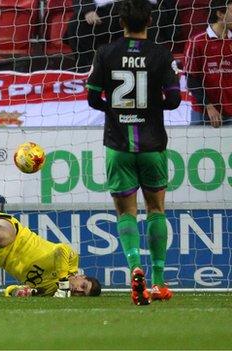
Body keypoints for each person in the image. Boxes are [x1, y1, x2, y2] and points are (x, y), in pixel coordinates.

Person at [86, 0, 181, 305]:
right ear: (150, 20)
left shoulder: (105, 53)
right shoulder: (161, 54)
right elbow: (176, 99)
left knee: (126, 212)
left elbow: (91, 97)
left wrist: (114, 110)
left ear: (120, 20)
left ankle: (133, 268)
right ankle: (159, 282)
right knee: (156, 210)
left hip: (118, 146)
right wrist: (152, 107)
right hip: (153, 145)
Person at [64, 0, 176, 69]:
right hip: (106, 10)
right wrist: (87, 9)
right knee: (76, 24)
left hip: (142, 6)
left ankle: (149, 69)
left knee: (149, 18)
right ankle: (88, 71)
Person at [184, 0, 232, 127]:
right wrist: (208, 105)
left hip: (230, 112)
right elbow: (191, 79)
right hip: (203, 112)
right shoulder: (197, 41)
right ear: (220, 14)